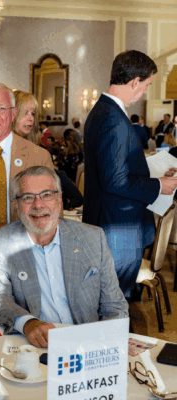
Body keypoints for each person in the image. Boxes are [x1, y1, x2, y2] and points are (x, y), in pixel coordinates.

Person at [0, 166, 128, 347]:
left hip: (88, 342)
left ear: (59, 200)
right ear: (16, 205)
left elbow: (114, 305)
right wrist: (27, 323)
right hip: (33, 347)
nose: (38, 205)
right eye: (28, 197)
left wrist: (105, 346)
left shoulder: (93, 238)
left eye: (47, 195)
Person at [83, 50, 177, 303]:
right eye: (146, 85)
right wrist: (158, 185)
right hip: (118, 227)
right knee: (114, 302)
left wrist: (156, 176)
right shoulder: (113, 119)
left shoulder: (102, 112)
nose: (145, 91)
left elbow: (115, 169)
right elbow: (115, 181)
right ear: (135, 81)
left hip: (111, 223)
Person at [0, 82, 55, 323]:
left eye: (1, 108)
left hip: (25, 258)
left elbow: (53, 212)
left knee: (25, 333)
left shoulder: (38, 156)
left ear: (13, 113)